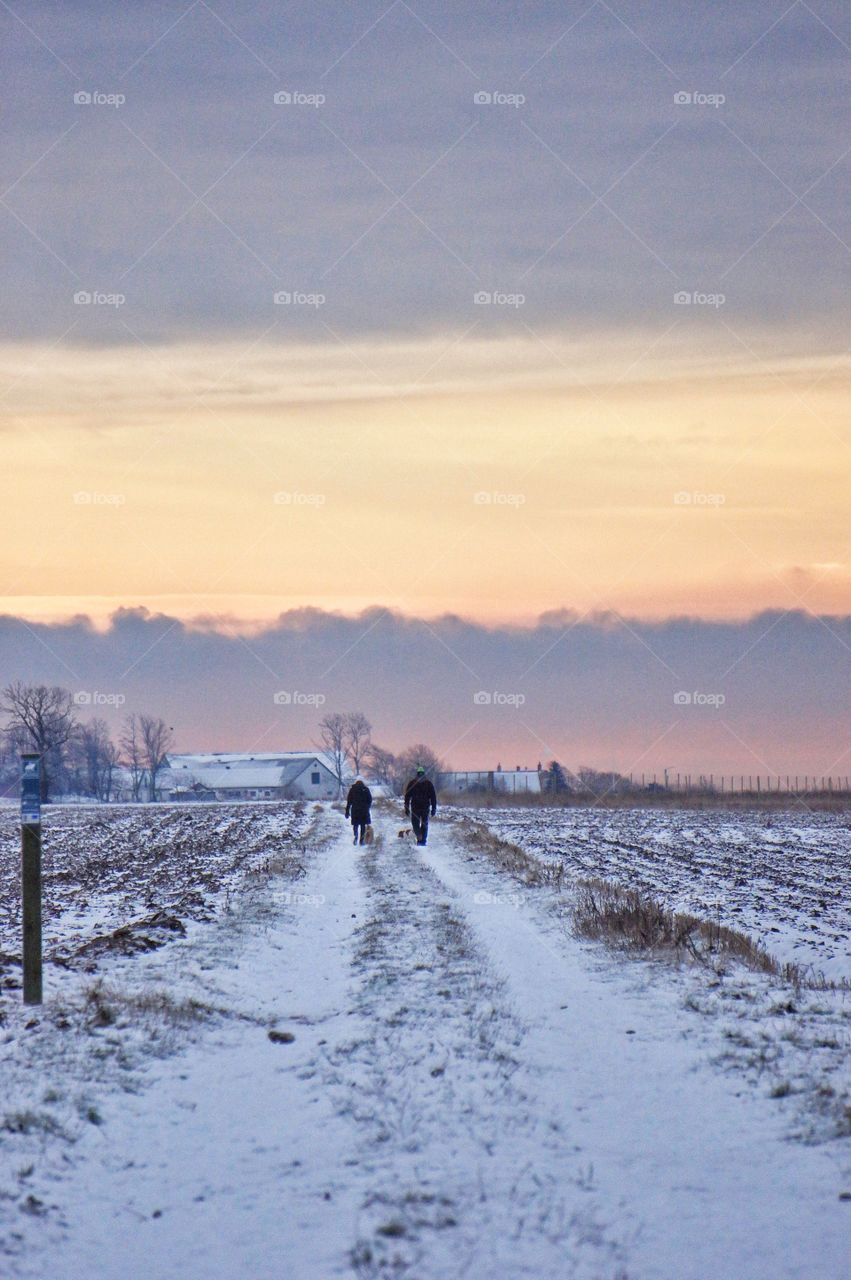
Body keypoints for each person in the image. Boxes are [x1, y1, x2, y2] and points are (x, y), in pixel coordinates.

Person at [404, 765, 437, 846]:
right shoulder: (428, 783)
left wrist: (407, 807)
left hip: (416, 807)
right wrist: (433, 808)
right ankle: (422, 840)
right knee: (424, 824)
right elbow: (433, 797)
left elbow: (407, 796)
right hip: (425, 807)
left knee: (415, 824)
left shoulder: (412, 783)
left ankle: (420, 837)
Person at [345, 777, 372, 845]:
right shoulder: (366, 789)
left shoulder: (352, 790)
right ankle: (362, 840)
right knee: (363, 825)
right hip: (364, 811)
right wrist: (367, 807)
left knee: (355, 825)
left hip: (355, 810)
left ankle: (356, 836)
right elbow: (370, 800)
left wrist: (347, 811)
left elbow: (349, 801)